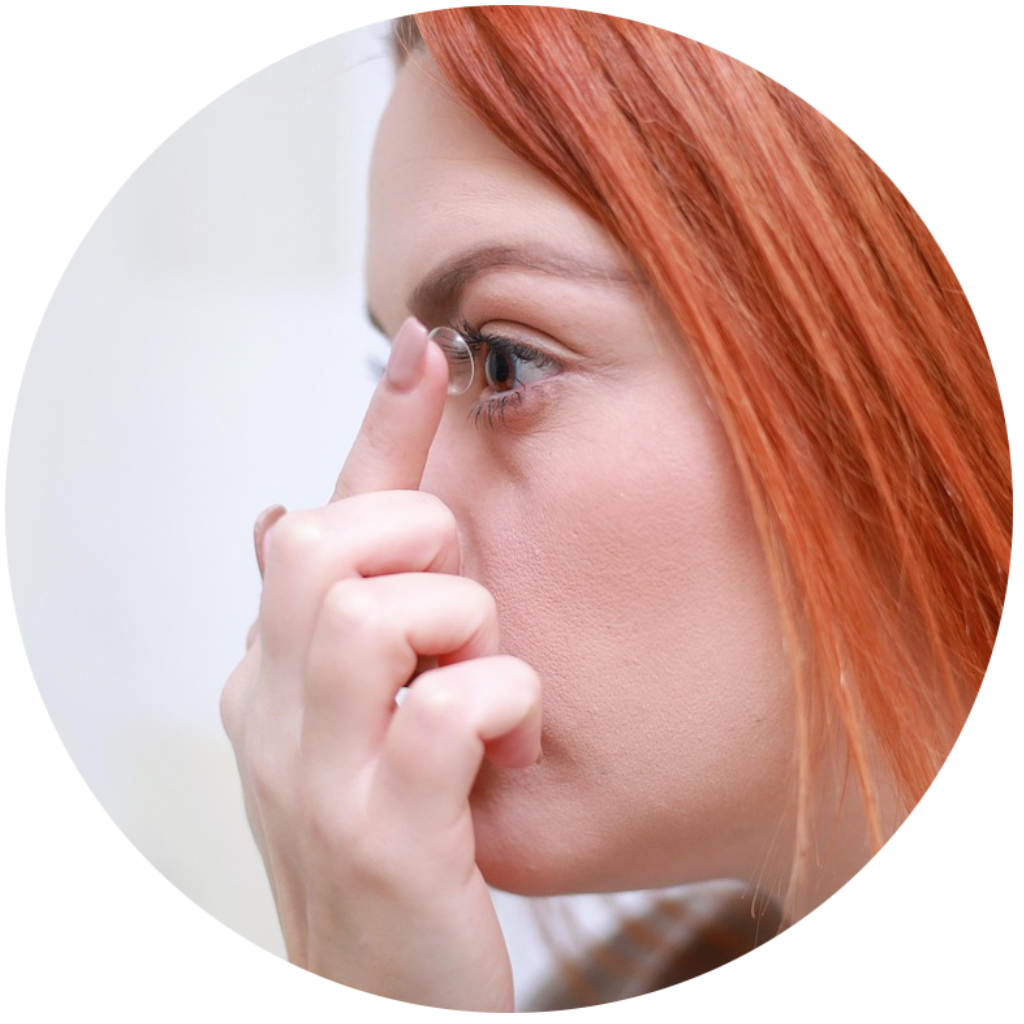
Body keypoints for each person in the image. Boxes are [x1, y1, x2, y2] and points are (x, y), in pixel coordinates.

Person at [220, 10, 1009, 1010]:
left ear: (893, 367)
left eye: (502, 362)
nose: (382, 523)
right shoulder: (613, 981)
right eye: (402, 376)